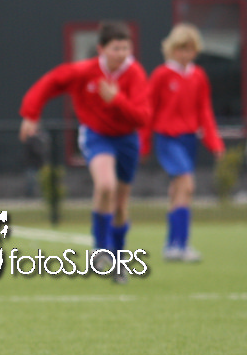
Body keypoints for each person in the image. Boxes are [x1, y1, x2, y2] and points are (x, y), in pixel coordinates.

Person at [19, 21, 149, 283]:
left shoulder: (135, 73)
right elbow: (50, 83)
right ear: (101, 49)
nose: (122, 54)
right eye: (116, 48)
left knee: (120, 205)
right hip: (97, 136)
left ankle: (118, 261)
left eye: (126, 48)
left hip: (126, 140)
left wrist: (117, 100)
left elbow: (142, 117)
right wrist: (31, 114)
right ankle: (100, 251)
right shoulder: (85, 71)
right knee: (105, 185)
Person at [142, 23, 224, 262]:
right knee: (187, 185)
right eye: (181, 49)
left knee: (178, 191)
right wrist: (144, 144)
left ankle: (171, 245)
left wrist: (215, 143)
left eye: (189, 49)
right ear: (171, 49)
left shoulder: (198, 76)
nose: (185, 54)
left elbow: (204, 112)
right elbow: (148, 110)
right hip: (168, 139)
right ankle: (181, 244)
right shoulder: (162, 75)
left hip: (189, 140)